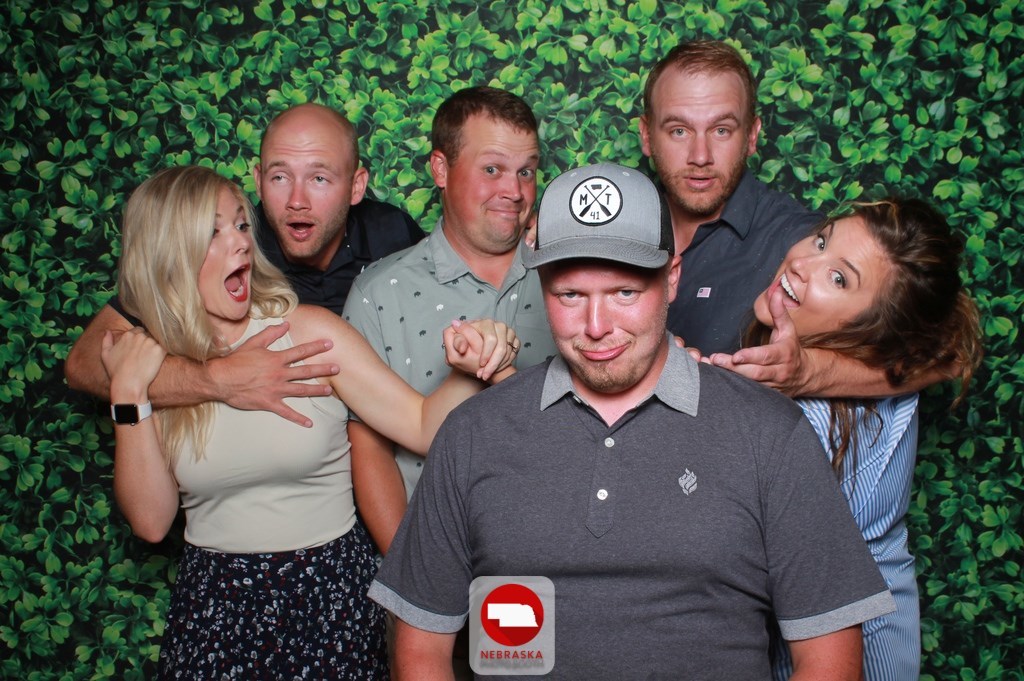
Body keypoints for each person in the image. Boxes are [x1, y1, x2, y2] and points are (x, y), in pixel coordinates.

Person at [369, 163, 896, 680]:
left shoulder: (769, 433)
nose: (597, 327)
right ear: (542, 286)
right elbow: (420, 650)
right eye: (570, 295)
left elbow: (829, 659)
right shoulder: (472, 434)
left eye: (625, 292)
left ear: (672, 278)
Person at [99, 165, 517, 679]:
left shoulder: (310, 332)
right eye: (213, 232)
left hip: (328, 593)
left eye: (241, 225)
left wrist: (473, 363)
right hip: (214, 605)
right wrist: (128, 393)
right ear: (168, 252)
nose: (241, 242)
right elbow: (150, 521)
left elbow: (422, 424)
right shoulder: (159, 366)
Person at [739, 199, 982, 681]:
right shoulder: (890, 376)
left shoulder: (812, 423)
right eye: (821, 240)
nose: (802, 263)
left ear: (875, 327)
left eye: (839, 278)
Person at [65, 102, 423, 426]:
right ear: (258, 181)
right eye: (279, 177)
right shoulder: (230, 243)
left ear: (356, 186)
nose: (297, 201)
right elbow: (84, 364)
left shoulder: (392, 233)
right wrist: (218, 380)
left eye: (318, 178)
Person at [640, 40, 952, 399]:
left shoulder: (801, 245)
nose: (700, 156)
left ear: (752, 136)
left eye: (722, 130)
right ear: (647, 136)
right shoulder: (613, 220)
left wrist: (809, 371)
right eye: (679, 130)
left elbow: (945, 357)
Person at [342, 86, 557, 552]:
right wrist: (410, 570)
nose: (514, 191)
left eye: (526, 171)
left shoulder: (568, 280)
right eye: (492, 169)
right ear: (441, 169)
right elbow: (369, 448)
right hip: (436, 555)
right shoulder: (380, 294)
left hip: (558, 555)